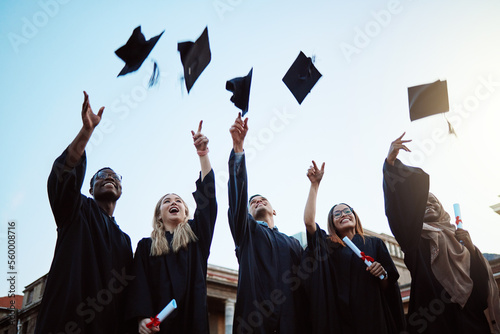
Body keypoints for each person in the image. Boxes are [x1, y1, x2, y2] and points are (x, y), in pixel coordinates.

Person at [35, 91, 134, 334]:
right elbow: (64, 173)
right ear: (89, 187)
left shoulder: (125, 242)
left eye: (114, 177)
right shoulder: (75, 209)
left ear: (121, 189)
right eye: (101, 175)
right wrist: (87, 132)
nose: (109, 177)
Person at [383, 132, 500, 333]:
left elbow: (480, 293)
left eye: (434, 202)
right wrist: (390, 164)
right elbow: (396, 212)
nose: (429, 205)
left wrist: (471, 249)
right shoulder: (414, 239)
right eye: (424, 203)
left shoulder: (461, 241)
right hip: (434, 322)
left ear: (442, 208)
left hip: (471, 322)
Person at [126, 120, 217, 334]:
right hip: (158, 326)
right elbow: (139, 286)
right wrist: (141, 318)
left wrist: (203, 155)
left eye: (178, 201)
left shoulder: (196, 237)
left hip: (192, 321)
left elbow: (209, 203)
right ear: (159, 214)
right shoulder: (146, 247)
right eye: (167, 201)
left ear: (186, 213)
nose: (173, 202)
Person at [302, 161, 405, 334]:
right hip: (341, 319)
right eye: (337, 214)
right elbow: (309, 222)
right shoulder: (328, 246)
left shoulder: (374, 243)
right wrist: (314, 185)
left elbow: (388, 288)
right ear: (332, 223)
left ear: (355, 217)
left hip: (373, 316)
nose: (343, 214)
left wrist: (382, 274)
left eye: (347, 211)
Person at [228, 113, 305, 334]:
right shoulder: (246, 234)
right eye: (252, 202)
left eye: (263, 200)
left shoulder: (293, 244)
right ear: (248, 213)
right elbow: (237, 198)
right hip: (255, 319)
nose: (258, 201)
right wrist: (238, 150)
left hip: (291, 320)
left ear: (274, 210)